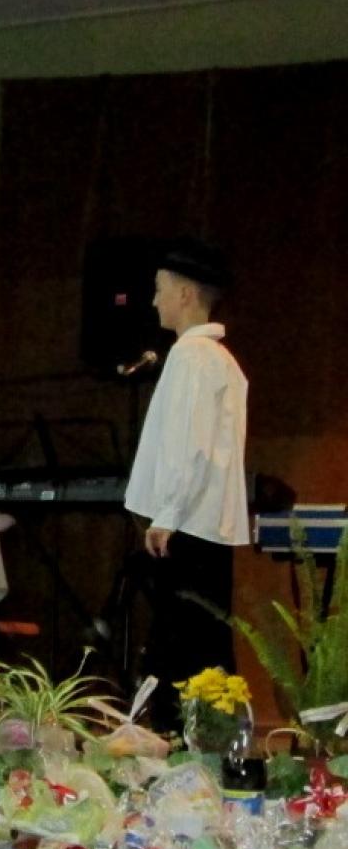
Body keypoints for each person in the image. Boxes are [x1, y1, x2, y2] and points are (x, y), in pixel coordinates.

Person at [124, 238, 249, 730]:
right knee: (204, 646)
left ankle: (181, 744)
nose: (154, 300)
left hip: (189, 525)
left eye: (159, 289)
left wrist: (168, 514)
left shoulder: (193, 356)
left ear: (184, 293)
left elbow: (192, 446)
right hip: (205, 526)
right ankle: (212, 745)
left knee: (182, 648)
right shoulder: (217, 359)